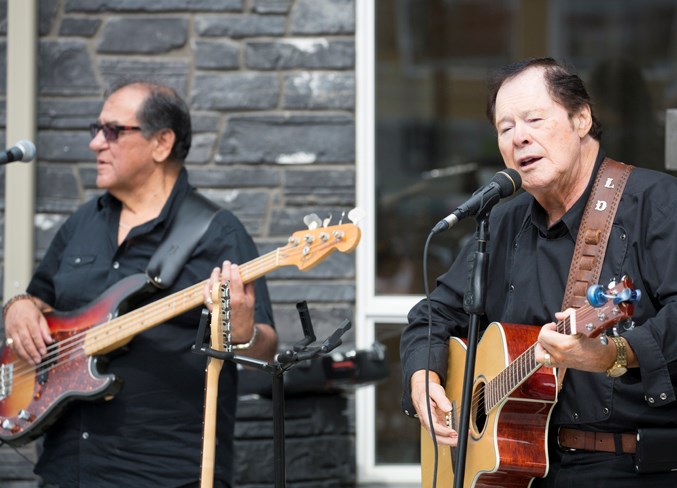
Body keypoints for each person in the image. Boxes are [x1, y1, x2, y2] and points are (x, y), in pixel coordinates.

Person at [400, 57, 677, 486]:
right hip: (517, 468)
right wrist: (424, 376)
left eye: (533, 119)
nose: (519, 138)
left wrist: (614, 353)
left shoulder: (656, 203)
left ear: (581, 118)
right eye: (505, 128)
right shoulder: (502, 225)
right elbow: (431, 316)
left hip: (628, 468)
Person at [2, 80, 277, 487]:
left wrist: (241, 332)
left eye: (112, 131)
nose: (96, 143)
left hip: (165, 472)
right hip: (66, 470)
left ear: (162, 143)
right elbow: (41, 302)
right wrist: (18, 307)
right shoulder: (83, 223)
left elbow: (266, 347)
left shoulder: (217, 233)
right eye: (94, 130)